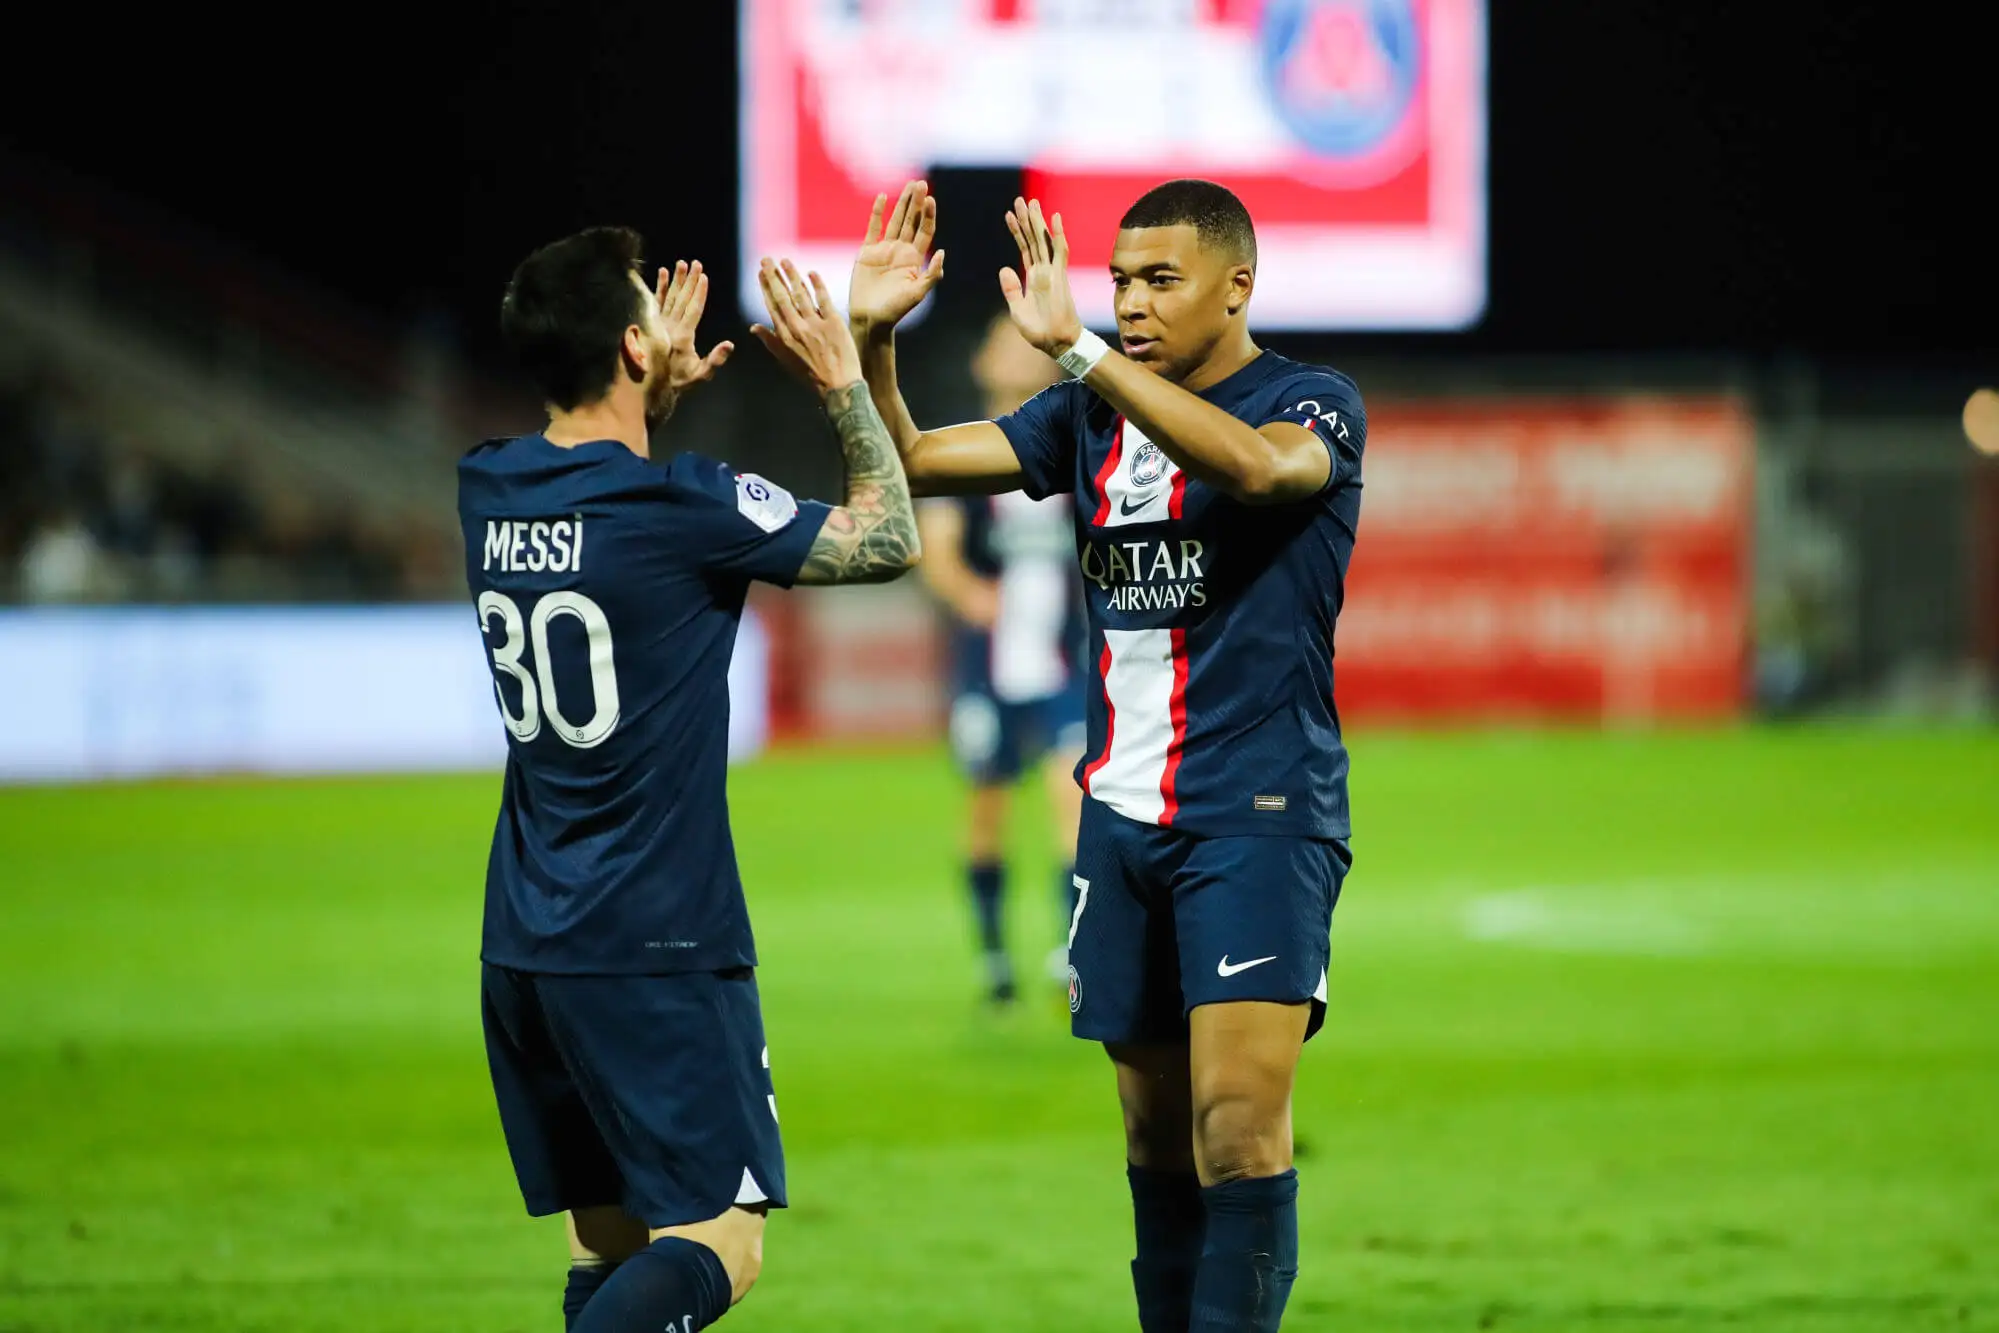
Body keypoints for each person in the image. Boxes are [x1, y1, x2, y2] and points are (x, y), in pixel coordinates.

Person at [847, 178, 1365, 1332]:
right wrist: (872, 344)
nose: (1130, 301)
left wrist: (1078, 351)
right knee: (1152, 1141)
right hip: (1119, 818)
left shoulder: (1312, 401)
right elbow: (914, 462)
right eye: (1120, 280)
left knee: (1233, 1126)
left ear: (1239, 286)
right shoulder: (1084, 417)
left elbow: (1260, 472)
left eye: (1159, 280)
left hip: (1257, 814)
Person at [459, 228, 917, 1333]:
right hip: (654, 943)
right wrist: (842, 377)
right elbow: (888, 535)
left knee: (607, 1238)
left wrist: (646, 390)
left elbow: (603, 487)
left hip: (526, 938)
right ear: (630, 342)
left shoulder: (488, 486)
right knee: (722, 1236)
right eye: (648, 319)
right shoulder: (687, 507)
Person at [915, 312, 1086, 1005]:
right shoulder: (960, 451)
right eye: (1001, 343)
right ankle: (992, 956)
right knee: (985, 807)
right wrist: (964, 590)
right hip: (987, 663)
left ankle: (1066, 947)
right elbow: (938, 547)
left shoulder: (1074, 448)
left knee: (1073, 799)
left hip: (1065, 660)